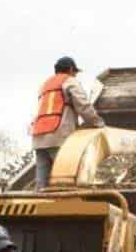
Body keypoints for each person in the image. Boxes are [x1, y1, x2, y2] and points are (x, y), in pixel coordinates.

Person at [31, 56, 106, 190]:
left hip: (39, 137)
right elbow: (83, 105)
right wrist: (98, 123)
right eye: (75, 72)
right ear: (71, 69)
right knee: (67, 181)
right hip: (59, 135)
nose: (76, 75)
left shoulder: (45, 85)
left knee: (42, 183)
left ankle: (43, 206)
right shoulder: (69, 81)